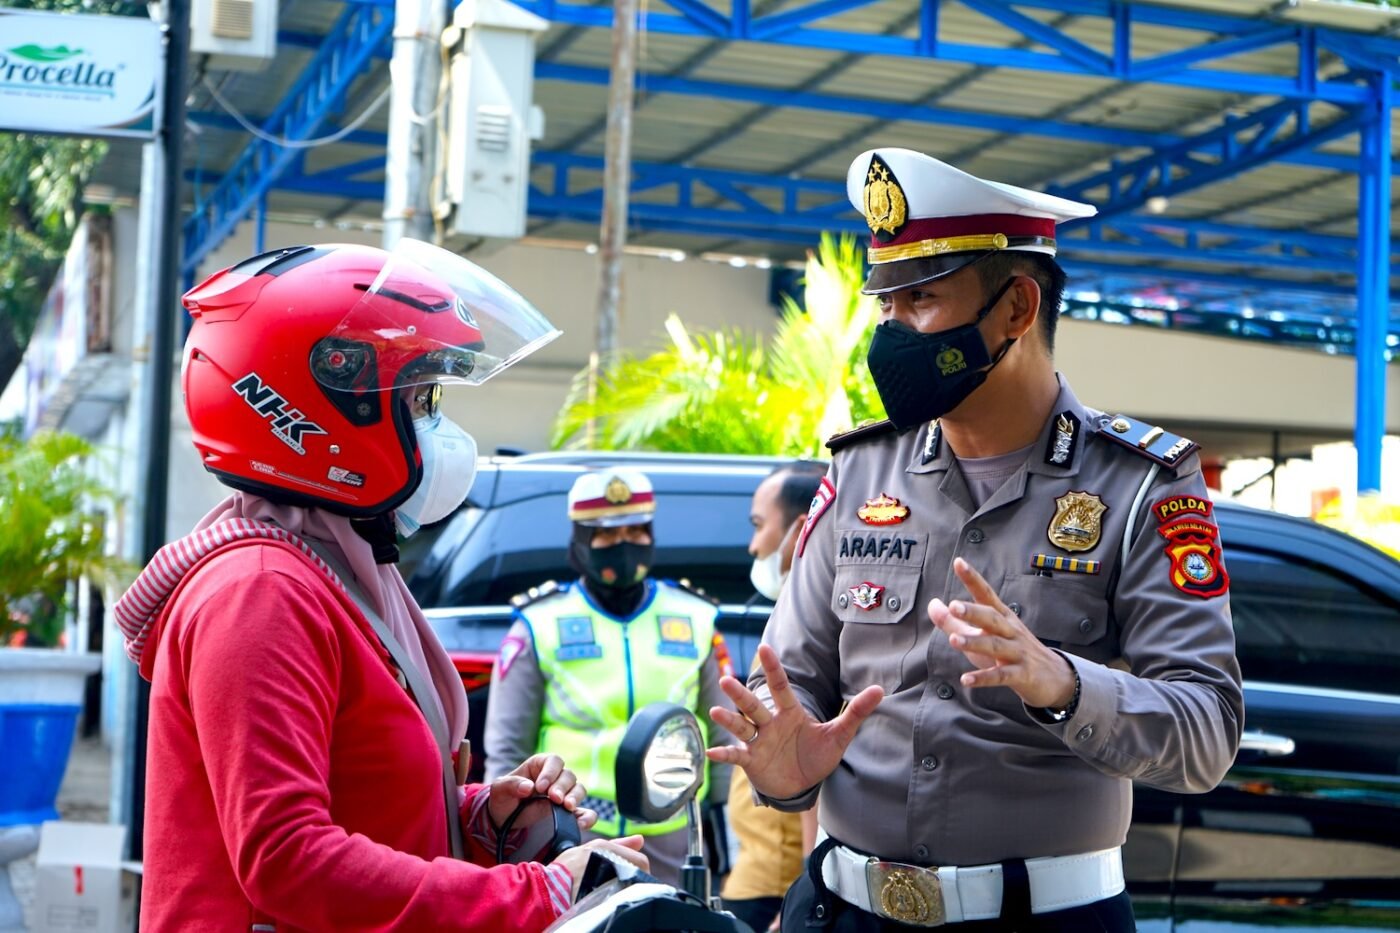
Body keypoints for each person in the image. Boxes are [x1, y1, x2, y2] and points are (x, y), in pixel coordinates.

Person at [708, 148, 1243, 932]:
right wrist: (784, 764)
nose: (892, 332)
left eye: (920, 298)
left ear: (1017, 310)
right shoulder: (860, 472)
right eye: (885, 305)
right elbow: (788, 678)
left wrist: (1062, 682)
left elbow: (1207, 730)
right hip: (844, 911)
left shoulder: (1139, 486)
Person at [113, 240, 647, 932]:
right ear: (322, 411)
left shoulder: (338, 571)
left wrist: (482, 817)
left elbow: (362, 806)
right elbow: (287, 858)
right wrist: (532, 892)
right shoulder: (261, 592)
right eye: (421, 399)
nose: (440, 429)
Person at [484, 468, 737, 887]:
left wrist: (724, 836)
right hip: (571, 833)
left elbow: (724, 737)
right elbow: (508, 749)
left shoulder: (695, 618)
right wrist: (510, 841)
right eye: (606, 535)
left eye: (637, 531)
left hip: (674, 838)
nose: (624, 546)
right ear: (581, 543)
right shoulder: (539, 623)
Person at [722, 461, 827, 932]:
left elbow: (820, 787)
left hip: (781, 890)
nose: (751, 545)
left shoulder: (812, 637)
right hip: (761, 879)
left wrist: (806, 898)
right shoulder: (793, 621)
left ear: (801, 530)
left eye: (759, 526)